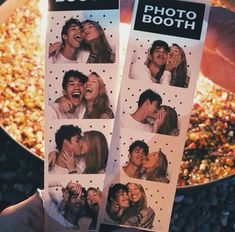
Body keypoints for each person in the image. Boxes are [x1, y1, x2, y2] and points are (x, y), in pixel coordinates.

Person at [49, 19, 115, 63]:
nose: (85, 31)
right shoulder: (82, 54)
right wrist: (60, 43)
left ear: (99, 30)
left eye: (90, 26)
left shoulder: (113, 55)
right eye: (83, 30)